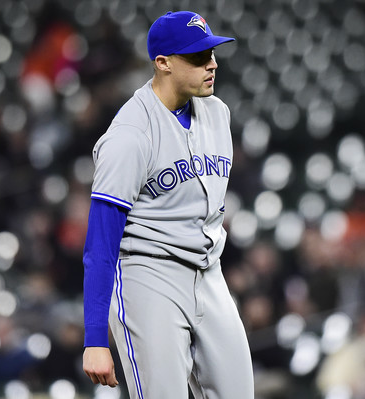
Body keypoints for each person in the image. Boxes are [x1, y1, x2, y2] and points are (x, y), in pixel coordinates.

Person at [81, 11, 254, 398]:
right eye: (197, 57)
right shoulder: (129, 135)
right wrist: (95, 338)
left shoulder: (217, 113)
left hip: (210, 274)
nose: (212, 64)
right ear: (163, 63)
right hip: (148, 276)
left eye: (211, 52)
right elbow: (100, 243)